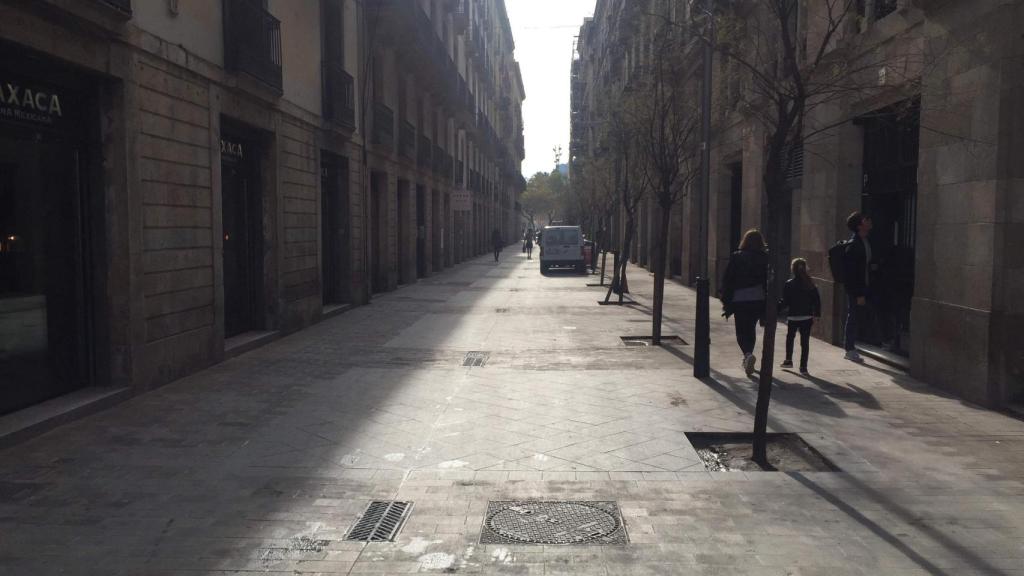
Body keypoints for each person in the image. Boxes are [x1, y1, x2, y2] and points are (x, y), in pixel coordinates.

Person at [720, 229, 770, 376]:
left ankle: (747, 355)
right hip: (757, 298)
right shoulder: (764, 258)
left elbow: (728, 278)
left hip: (740, 298)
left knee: (741, 330)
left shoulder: (737, 257)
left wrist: (725, 297)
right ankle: (749, 354)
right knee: (751, 328)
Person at [841, 212, 874, 362]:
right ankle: (849, 348)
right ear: (860, 225)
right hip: (856, 288)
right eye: (866, 219)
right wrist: (859, 293)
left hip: (864, 285)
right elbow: (853, 272)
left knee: (857, 315)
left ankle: (866, 340)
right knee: (853, 315)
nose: (869, 220)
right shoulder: (854, 244)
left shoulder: (864, 241)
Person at [779, 258, 821, 374]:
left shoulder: (789, 284)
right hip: (807, 317)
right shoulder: (810, 283)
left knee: (790, 338)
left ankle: (788, 360)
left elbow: (785, 302)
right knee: (805, 342)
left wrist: (777, 309)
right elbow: (816, 300)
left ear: (793, 269)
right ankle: (803, 367)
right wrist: (817, 314)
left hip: (793, 316)